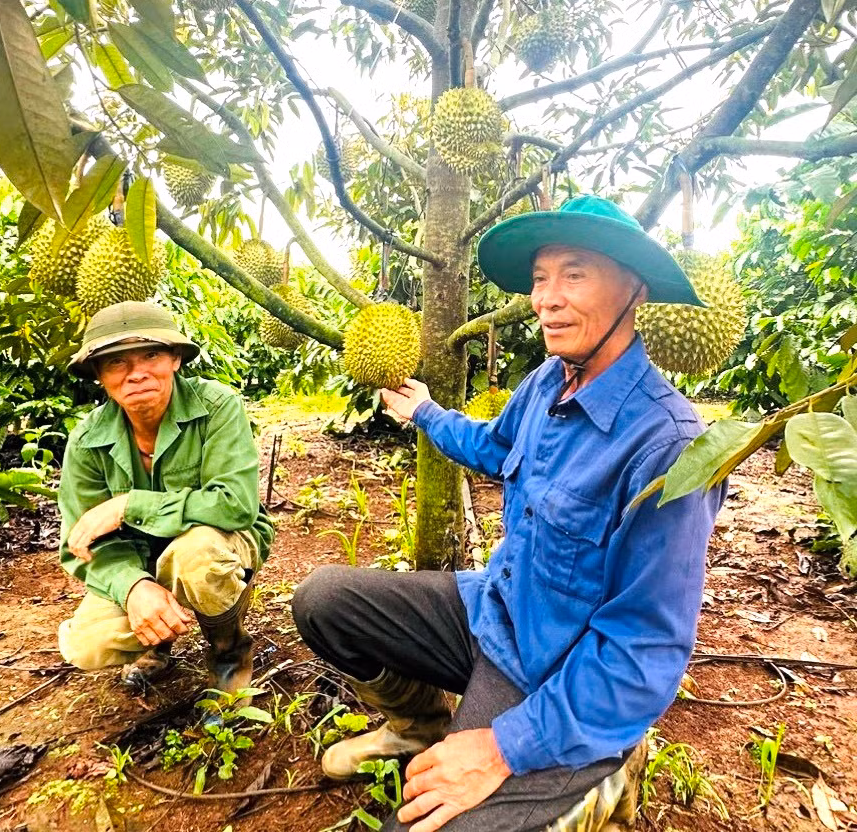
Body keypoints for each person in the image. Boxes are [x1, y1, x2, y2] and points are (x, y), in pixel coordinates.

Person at [292, 196, 727, 832]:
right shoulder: (548, 381)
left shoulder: (667, 445)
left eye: (573, 274)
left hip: (554, 672)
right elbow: (496, 448)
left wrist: (502, 746)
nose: (545, 298)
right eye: (539, 279)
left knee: (425, 825)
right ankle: (419, 730)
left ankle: (599, 775)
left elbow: (643, 651)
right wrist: (426, 413)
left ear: (633, 290)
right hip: (494, 610)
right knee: (324, 599)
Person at [57, 301, 273, 696]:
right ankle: (156, 643)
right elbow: (82, 545)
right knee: (86, 643)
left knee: (196, 558)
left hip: (222, 542)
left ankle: (229, 653)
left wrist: (128, 505)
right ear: (100, 376)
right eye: (116, 363)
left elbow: (235, 504)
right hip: (142, 558)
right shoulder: (87, 442)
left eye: (151, 355)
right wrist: (132, 585)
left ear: (175, 358)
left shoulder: (216, 407)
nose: (136, 373)